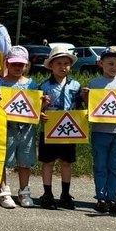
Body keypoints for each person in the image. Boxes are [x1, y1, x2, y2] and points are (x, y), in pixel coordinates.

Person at [85, 46, 116, 214]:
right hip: (99, 130)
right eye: (110, 63)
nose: (114, 67)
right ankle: (101, 197)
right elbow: (89, 106)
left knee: (115, 166)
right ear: (101, 63)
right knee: (100, 165)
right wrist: (86, 96)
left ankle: (112, 197)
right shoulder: (94, 83)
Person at [0, 45, 39, 208]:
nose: (17, 67)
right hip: (6, 128)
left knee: (25, 160)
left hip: (27, 130)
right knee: (3, 159)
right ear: (7, 64)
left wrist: (42, 105)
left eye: (21, 64)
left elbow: (36, 106)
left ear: (26, 65)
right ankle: (3, 190)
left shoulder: (32, 85)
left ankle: (24, 191)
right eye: (14, 64)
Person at [38, 45, 84, 210]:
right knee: (48, 162)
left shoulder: (76, 86)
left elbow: (79, 106)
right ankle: (47, 193)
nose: (63, 66)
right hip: (49, 129)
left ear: (70, 66)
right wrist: (41, 112)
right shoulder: (44, 86)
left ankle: (65, 194)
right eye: (58, 63)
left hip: (69, 131)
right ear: (51, 65)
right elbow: (37, 108)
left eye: (66, 63)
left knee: (66, 162)